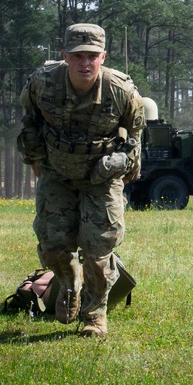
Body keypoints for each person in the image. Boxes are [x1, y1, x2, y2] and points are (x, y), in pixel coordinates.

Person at [17, 23, 146, 336]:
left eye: (91, 56)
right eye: (77, 56)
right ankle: (68, 281)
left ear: (103, 56)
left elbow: (137, 132)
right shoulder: (42, 82)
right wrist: (34, 158)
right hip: (56, 173)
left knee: (98, 250)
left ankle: (94, 315)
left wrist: (126, 164)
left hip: (100, 178)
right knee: (51, 246)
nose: (84, 63)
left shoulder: (120, 90)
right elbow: (29, 119)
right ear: (65, 57)